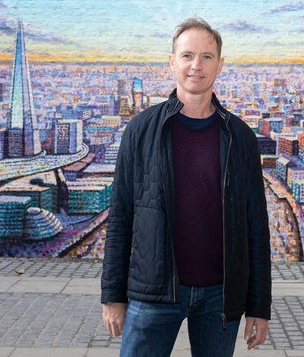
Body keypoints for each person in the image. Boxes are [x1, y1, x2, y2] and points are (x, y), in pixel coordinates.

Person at [101, 18, 271, 356]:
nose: (197, 65)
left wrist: (259, 306)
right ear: (172, 61)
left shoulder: (240, 137)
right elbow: (121, 215)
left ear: (220, 65)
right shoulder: (141, 130)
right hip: (153, 291)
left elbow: (256, 226)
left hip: (219, 296)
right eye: (188, 55)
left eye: (207, 57)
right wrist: (112, 296)